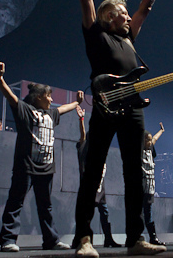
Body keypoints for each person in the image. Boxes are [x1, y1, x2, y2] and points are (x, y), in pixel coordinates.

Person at [70, 0, 169, 257]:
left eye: (130, 16)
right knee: (94, 167)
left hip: (133, 109)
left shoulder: (129, 38)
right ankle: (83, 238)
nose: (130, 18)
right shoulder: (96, 35)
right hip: (105, 106)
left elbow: (147, 9)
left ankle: (135, 240)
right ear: (109, 16)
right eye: (124, 15)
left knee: (134, 174)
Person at [0, 60, 81, 252]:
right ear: (40, 96)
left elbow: (64, 108)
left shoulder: (51, 115)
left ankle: (51, 240)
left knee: (46, 206)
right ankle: (8, 240)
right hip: (26, 166)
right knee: (15, 202)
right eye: (49, 96)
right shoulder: (25, 111)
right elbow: (10, 96)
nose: (51, 100)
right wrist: (0, 78)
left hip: (46, 168)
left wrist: (77, 103)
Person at [75, 105, 121, 248]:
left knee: (104, 213)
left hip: (101, 189)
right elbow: (82, 135)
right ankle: (82, 241)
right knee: (87, 215)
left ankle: (108, 239)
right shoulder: (84, 149)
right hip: (89, 188)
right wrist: (81, 119)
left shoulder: (99, 151)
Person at [142, 123, 166, 245]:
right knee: (141, 213)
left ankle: (153, 237)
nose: (150, 142)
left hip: (150, 186)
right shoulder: (138, 150)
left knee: (148, 212)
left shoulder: (150, 148)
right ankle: (138, 238)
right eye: (147, 140)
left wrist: (161, 131)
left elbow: (155, 139)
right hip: (140, 186)